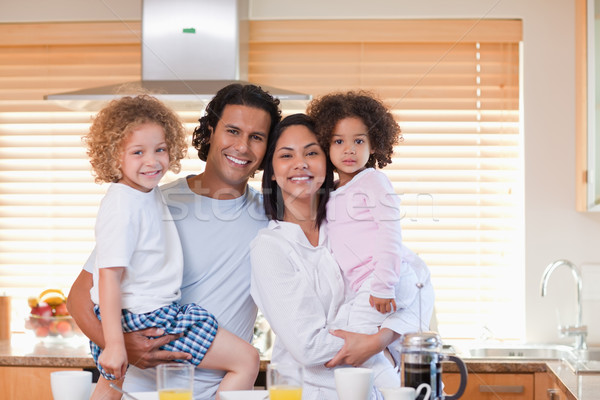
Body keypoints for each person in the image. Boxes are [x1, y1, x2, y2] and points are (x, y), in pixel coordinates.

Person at [67, 83, 282, 400]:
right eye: (232, 131)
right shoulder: (152, 202)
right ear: (209, 131)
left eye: (257, 137)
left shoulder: (272, 219)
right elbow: (80, 298)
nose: (243, 147)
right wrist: (122, 344)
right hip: (136, 394)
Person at [250, 114, 408, 399]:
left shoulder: (351, 227)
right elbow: (308, 347)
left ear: (328, 162)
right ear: (272, 171)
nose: (301, 163)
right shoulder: (270, 247)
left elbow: (409, 283)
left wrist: (380, 339)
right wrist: (382, 338)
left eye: (312, 152)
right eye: (286, 155)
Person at [307, 91, 434, 341]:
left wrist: (383, 285)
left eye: (359, 141)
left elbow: (390, 234)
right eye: (338, 141)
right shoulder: (331, 190)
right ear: (325, 145)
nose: (349, 150)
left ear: (374, 143)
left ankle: (387, 382)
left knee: (360, 346)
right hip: (362, 286)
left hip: (382, 279)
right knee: (338, 334)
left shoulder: (373, 181)